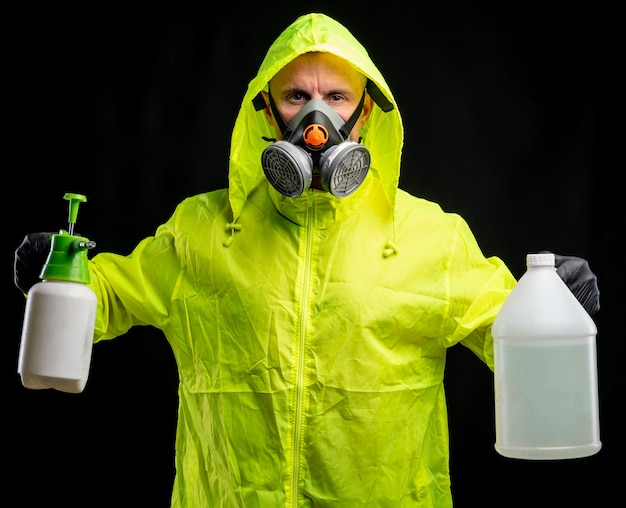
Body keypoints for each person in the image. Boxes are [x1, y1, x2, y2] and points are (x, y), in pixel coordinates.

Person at [14, 13, 600, 508]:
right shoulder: (202, 229)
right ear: (268, 110)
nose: (315, 122)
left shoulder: (430, 236)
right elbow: (116, 295)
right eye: (298, 96)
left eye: (336, 96)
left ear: (364, 113)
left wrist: (552, 301)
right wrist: (65, 273)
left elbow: (511, 333)